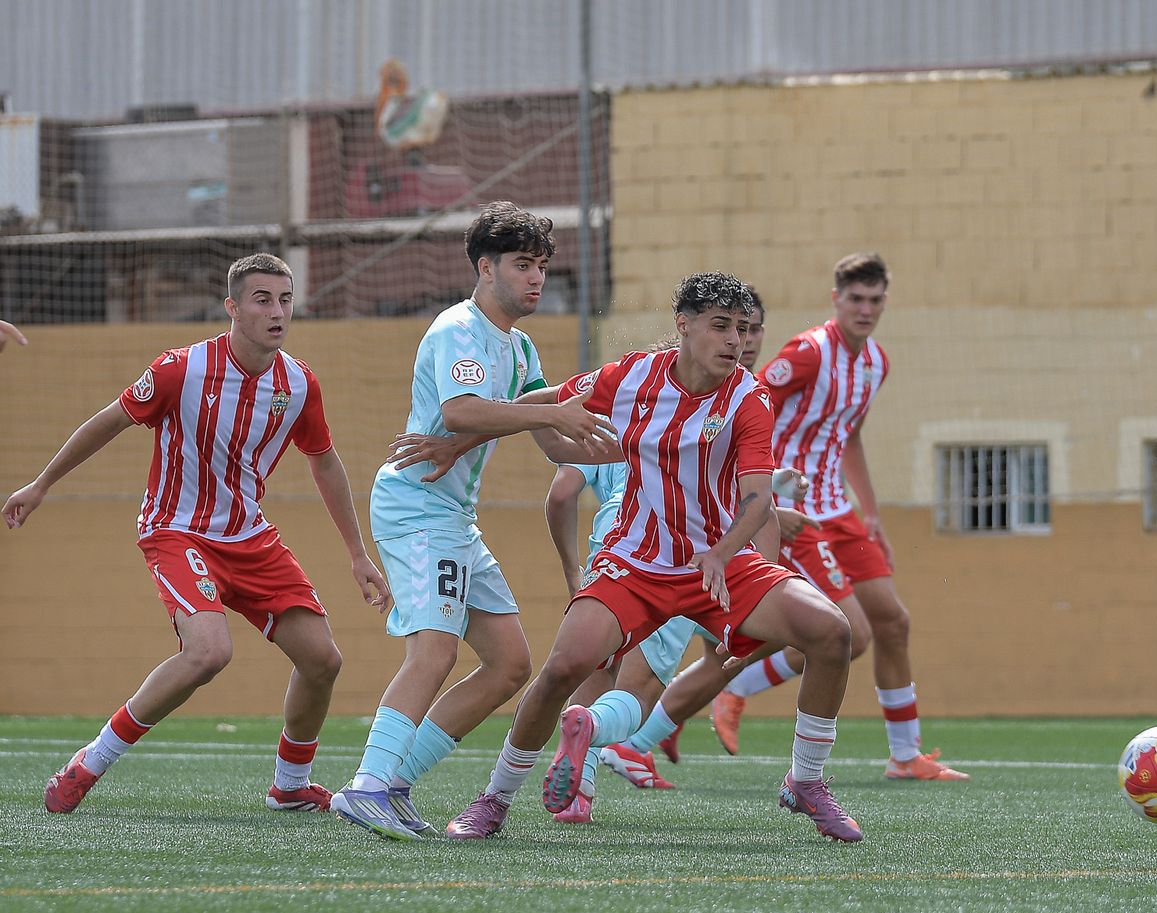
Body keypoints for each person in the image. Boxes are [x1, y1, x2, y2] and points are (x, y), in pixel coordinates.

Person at [444, 272, 862, 842]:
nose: (735, 341)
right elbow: (542, 404)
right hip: (635, 562)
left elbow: (758, 497)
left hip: (719, 563)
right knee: (564, 668)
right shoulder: (632, 375)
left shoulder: (749, 397)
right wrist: (507, 433)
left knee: (833, 632)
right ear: (683, 325)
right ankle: (493, 799)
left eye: (742, 329)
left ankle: (806, 781)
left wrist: (721, 554)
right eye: (721, 326)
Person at [4, 253, 391, 814]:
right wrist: (41, 484)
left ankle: (290, 785)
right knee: (209, 653)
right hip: (176, 531)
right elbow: (110, 420)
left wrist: (358, 554)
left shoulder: (299, 383)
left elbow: (325, 461)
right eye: (263, 300)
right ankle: (90, 761)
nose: (277, 312)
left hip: (250, 538)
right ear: (232, 307)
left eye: (285, 300)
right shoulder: (180, 369)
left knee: (323, 660)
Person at [330, 202, 617, 840]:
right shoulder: (459, 329)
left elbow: (552, 436)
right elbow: (462, 410)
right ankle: (366, 787)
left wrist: (641, 448)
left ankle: (395, 784)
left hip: (454, 516)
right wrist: (551, 412)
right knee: (435, 649)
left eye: (541, 266)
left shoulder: (518, 345)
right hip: (417, 505)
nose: (536, 278)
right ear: (485, 268)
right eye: (522, 265)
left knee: (510, 663)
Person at [709, 253, 968, 780]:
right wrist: (756, 489)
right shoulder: (808, 353)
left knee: (893, 623)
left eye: (875, 299)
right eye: (856, 299)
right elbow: (748, 402)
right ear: (836, 300)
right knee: (851, 633)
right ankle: (732, 687)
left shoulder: (876, 362)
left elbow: (850, 437)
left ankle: (905, 756)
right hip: (796, 508)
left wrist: (871, 514)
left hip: (839, 509)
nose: (865, 309)